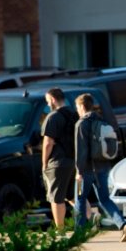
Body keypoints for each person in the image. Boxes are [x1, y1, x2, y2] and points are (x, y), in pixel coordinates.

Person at [72, 93, 126, 240]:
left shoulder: (81, 124)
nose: (77, 110)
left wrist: (79, 171)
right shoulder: (102, 120)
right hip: (103, 167)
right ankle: (122, 224)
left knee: (80, 198)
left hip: (85, 170)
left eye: (77, 107)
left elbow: (81, 150)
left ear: (81, 106)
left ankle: (80, 232)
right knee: (105, 199)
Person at [41, 88, 79, 231]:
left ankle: (60, 229)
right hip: (73, 161)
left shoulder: (52, 117)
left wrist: (44, 163)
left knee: (56, 198)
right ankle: (91, 215)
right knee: (72, 196)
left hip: (57, 162)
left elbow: (48, 142)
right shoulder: (75, 115)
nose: (47, 104)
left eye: (47, 101)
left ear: (52, 99)